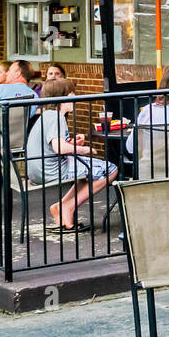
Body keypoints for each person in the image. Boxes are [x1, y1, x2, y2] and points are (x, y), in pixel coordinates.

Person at [24, 78, 117, 232]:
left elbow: (54, 145)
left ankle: (61, 208)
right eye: (71, 93)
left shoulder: (47, 116)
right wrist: (84, 149)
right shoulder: (56, 117)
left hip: (38, 169)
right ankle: (68, 207)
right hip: (52, 170)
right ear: (62, 97)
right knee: (109, 169)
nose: (74, 96)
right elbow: (59, 148)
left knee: (89, 172)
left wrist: (73, 143)